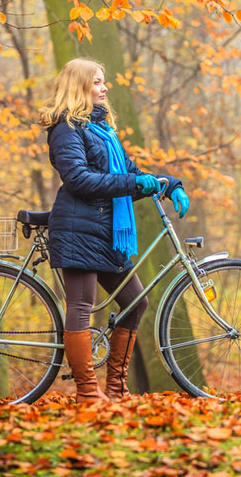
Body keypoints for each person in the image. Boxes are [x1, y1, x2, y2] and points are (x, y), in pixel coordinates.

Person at [38, 58, 190, 403]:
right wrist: (136, 182)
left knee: (135, 302)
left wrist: (167, 184)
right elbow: (78, 179)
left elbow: (130, 171)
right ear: (79, 86)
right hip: (79, 228)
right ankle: (88, 393)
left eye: (103, 82)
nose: (104, 88)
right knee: (80, 305)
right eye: (97, 82)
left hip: (106, 232)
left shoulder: (101, 131)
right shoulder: (66, 128)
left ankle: (117, 390)